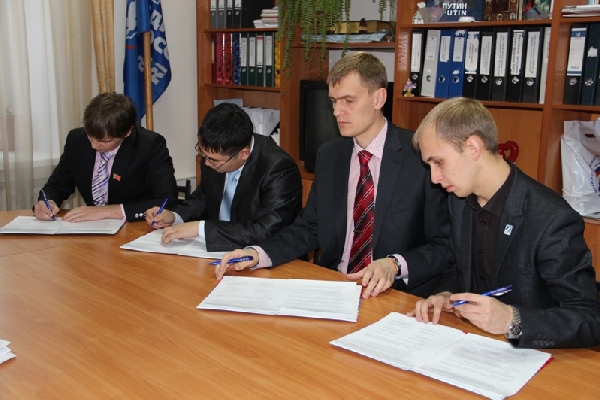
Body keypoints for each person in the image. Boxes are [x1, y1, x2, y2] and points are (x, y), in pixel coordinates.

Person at [216, 52, 452, 299]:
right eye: (333, 101)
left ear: (379, 98)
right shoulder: (330, 155)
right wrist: (258, 253)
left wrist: (395, 264)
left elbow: (443, 245)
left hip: (394, 294)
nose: (337, 111)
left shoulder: (420, 158)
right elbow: (309, 227)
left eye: (349, 101)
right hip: (334, 286)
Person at [409, 97, 600, 348]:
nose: (434, 178)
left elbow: (589, 318)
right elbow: (460, 268)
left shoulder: (552, 219)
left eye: (438, 162)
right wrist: (446, 295)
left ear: (473, 147)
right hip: (476, 345)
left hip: (539, 357)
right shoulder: (459, 201)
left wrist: (513, 320)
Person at [145, 102, 302, 252]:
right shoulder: (214, 155)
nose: (207, 163)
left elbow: (264, 230)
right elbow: (203, 198)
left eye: (213, 160)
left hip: (267, 257)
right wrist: (175, 217)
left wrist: (200, 229)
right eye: (203, 154)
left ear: (243, 154)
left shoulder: (278, 169)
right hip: (216, 252)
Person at [33, 92, 178, 222]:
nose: (94, 146)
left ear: (127, 132)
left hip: (137, 228)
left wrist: (106, 212)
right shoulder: (76, 140)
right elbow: (57, 185)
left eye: (105, 141)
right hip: (93, 230)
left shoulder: (149, 145)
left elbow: (167, 200)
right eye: (90, 137)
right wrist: (47, 202)